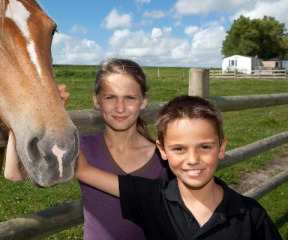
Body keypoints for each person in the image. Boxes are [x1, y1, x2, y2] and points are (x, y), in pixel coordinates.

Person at [76, 95, 282, 240]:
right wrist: (50, 109)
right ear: (162, 150)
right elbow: (83, 170)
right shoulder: (151, 198)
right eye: (178, 148)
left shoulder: (250, 215)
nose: (192, 159)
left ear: (221, 147)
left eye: (204, 147)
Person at [79, 58, 172, 239]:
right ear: (96, 100)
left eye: (129, 97)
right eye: (110, 97)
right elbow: (15, 174)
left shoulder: (162, 158)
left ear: (143, 101)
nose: (120, 108)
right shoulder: (83, 147)